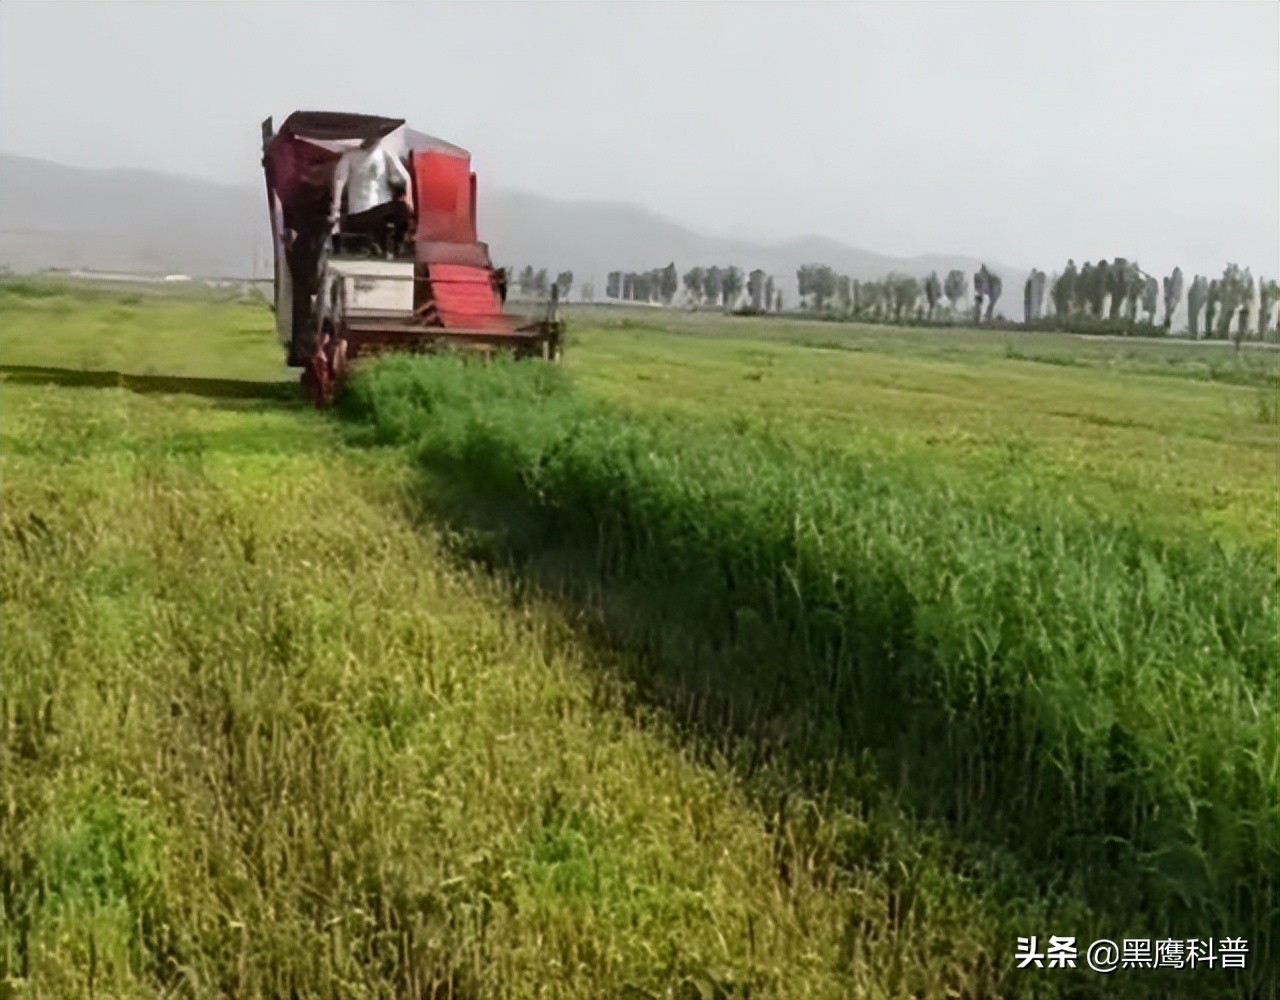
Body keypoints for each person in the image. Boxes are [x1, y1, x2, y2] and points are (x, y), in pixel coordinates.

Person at [330, 135, 414, 256]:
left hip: (381, 210)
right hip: (360, 211)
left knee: (399, 210)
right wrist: (336, 208)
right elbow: (339, 180)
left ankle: (394, 245)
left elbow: (402, 178)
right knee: (396, 210)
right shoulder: (350, 155)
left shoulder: (386, 153)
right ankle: (389, 245)